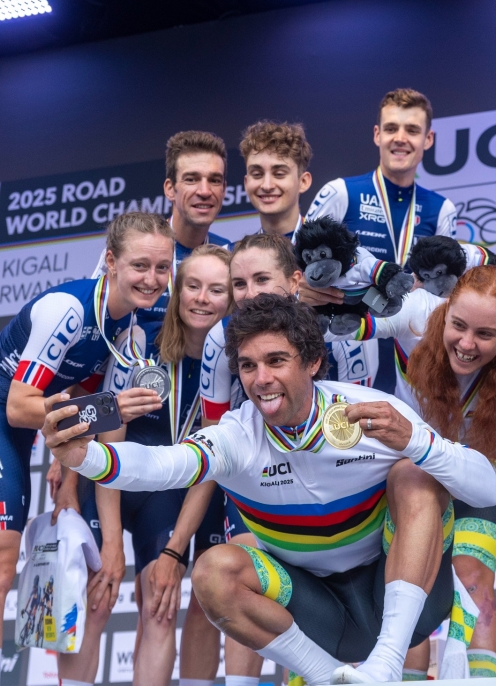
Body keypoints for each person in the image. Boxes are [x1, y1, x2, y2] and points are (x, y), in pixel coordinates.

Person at [43, 292, 496, 685]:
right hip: (320, 616)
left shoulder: (369, 412)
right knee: (212, 571)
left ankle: (386, 664)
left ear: (314, 362)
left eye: (276, 361)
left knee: (413, 475)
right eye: (248, 365)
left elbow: (486, 491)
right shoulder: (236, 436)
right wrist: (87, 457)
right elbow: (164, 464)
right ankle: (329, 679)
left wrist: (418, 443)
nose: (260, 379)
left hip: (407, 603)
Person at [0, 212, 173, 686]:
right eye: (141, 265)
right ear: (112, 262)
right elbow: (20, 406)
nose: (153, 279)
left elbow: (98, 420)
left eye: (163, 268)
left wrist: (80, 470)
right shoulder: (72, 307)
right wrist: (109, 407)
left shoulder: (129, 330)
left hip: (11, 440)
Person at [328, 265, 496, 678]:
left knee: (472, 577)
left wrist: (493, 465)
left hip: (483, 472)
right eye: (459, 326)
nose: (467, 345)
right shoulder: (416, 318)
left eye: (485, 335)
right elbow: (347, 326)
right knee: (410, 581)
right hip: (415, 472)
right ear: (445, 309)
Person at [57, 245, 232, 686]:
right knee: (95, 598)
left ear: (232, 299)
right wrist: (111, 543)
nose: (202, 299)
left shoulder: (233, 361)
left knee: (160, 602)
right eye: (192, 286)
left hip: (170, 493)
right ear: (176, 290)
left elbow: (211, 467)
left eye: (217, 290)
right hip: (109, 480)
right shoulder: (137, 340)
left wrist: (175, 552)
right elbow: (107, 443)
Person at [197, 232, 305, 685]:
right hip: (255, 480)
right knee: (244, 577)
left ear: (295, 281)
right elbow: (217, 439)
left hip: (331, 477)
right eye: (239, 284)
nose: (249, 294)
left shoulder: (332, 324)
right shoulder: (220, 337)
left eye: (263, 279)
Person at [303, 88, 456, 392]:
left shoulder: (442, 210)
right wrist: (303, 292)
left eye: (412, 130)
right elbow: (298, 265)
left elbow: (442, 296)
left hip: (412, 365)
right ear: (377, 135)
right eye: (391, 128)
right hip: (342, 354)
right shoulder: (341, 192)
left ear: (428, 139)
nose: (400, 138)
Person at [92, 131, 233, 342]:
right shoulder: (132, 250)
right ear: (170, 189)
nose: (204, 191)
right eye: (191, 179)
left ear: (223, 190)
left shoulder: (230, 257)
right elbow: (95, 323)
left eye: (214, 180)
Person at [242, 121, 314, 237]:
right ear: (246, 183)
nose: (267, 185)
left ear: (303, 182)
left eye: (279, 174)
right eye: (257, 174)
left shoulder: (333, 251)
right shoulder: (233, 254)